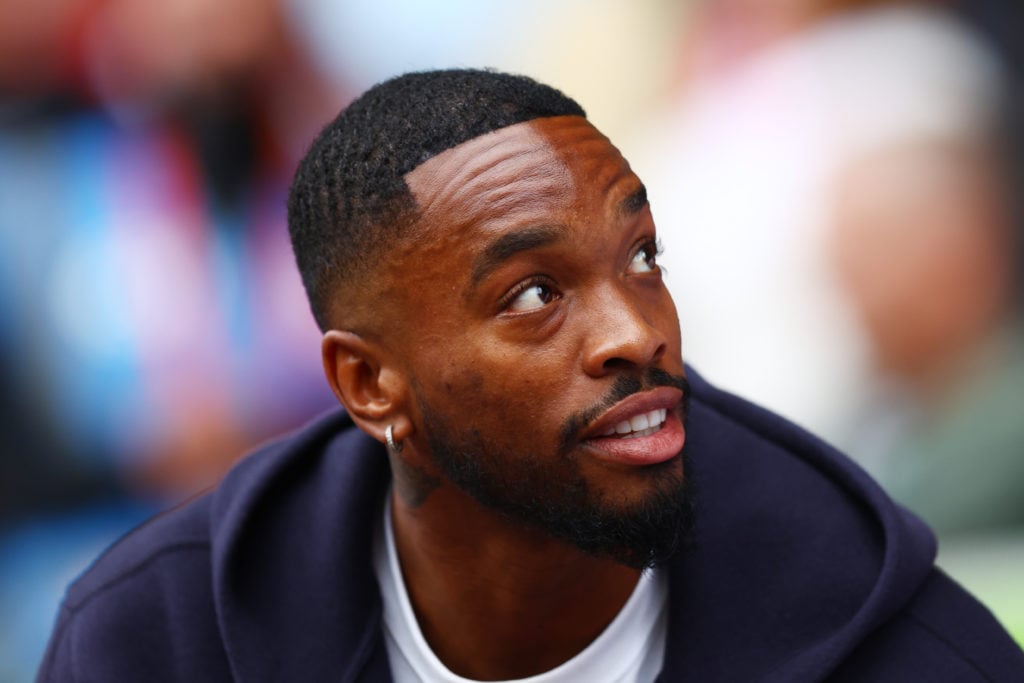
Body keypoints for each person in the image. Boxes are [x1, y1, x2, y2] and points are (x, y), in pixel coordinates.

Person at [37, 69, 1024, 682]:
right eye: (533, 294)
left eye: (643, 257)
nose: (634, 333)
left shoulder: (910, 652)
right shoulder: (152, 642)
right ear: (370, 384)